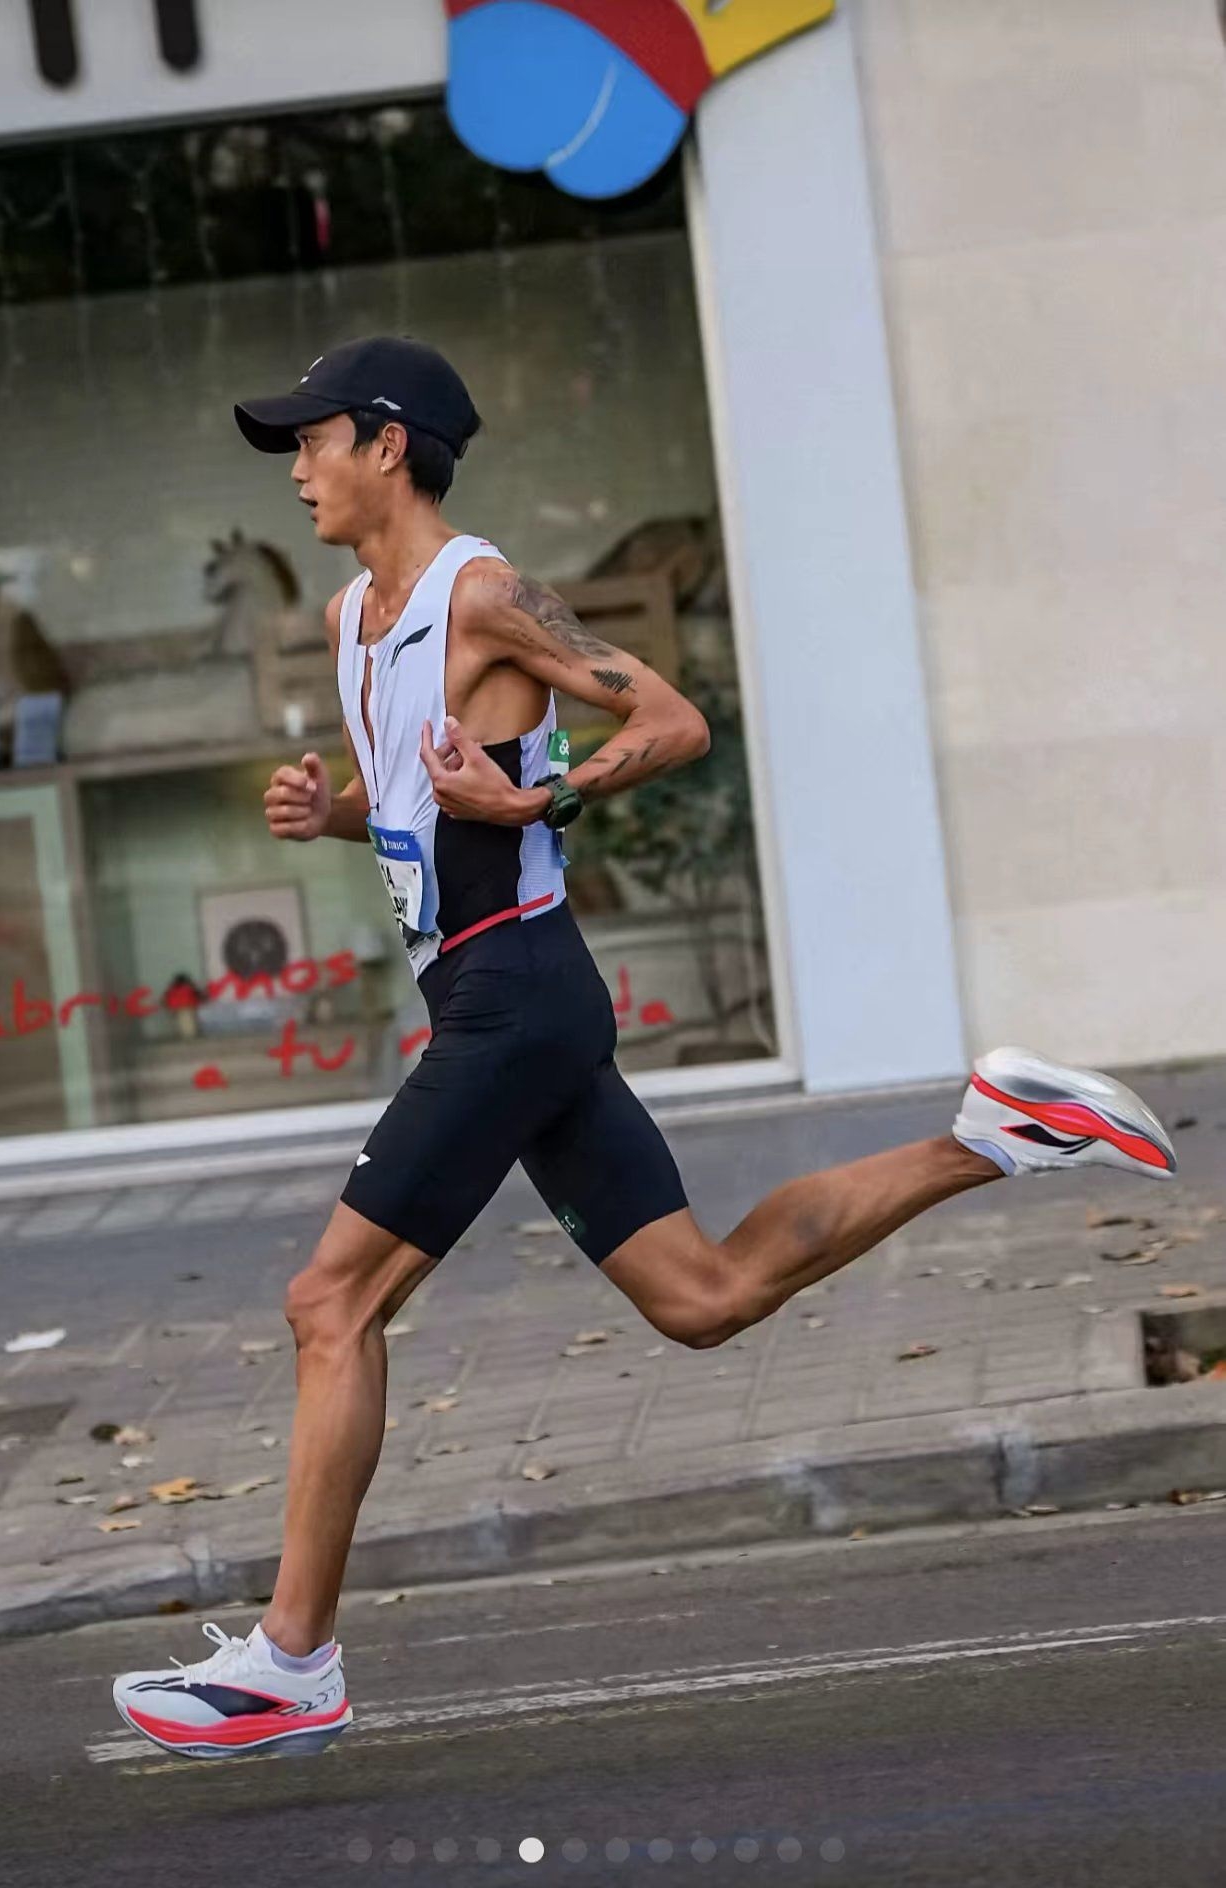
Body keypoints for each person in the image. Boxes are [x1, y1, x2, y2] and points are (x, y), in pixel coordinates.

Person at [112, 337, 1177, 1759]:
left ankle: (293, 1662)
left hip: (516, 994)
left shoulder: (484, 594)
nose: (296, 468)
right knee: (704, 1296)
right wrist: (338, 810)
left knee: (330, 1303)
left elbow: (672, 720)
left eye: (312, 440)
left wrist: (535, 804)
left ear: (387, 444)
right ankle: (993, 1131)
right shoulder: (352, 614)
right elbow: (422, 784)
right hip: (496, 999)